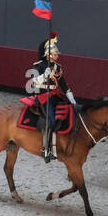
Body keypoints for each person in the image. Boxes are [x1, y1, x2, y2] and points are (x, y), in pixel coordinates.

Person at [27, 32, 78, 163]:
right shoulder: (39, 65)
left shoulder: (57, 67)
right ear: (47, 53)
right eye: (55, 52)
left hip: (55, 95)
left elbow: (63, 84)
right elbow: (34, 82)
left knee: (70, 113)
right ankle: (45, 150)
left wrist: (71, 97)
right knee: (51, 119)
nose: (57, 55)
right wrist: (45, 75)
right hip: (44, 96)